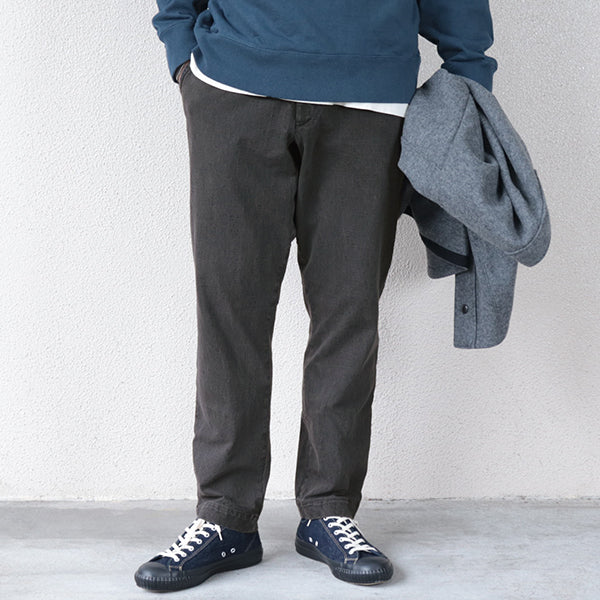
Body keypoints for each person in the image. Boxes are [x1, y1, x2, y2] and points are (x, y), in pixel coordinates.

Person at [135, 0, 497, 592]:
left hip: (370, 103)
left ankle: (328, 510)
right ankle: (225, 516)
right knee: (230, 311)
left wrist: (470, 77)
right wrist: (182, 54)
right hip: (233, 89)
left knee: (348, 313)